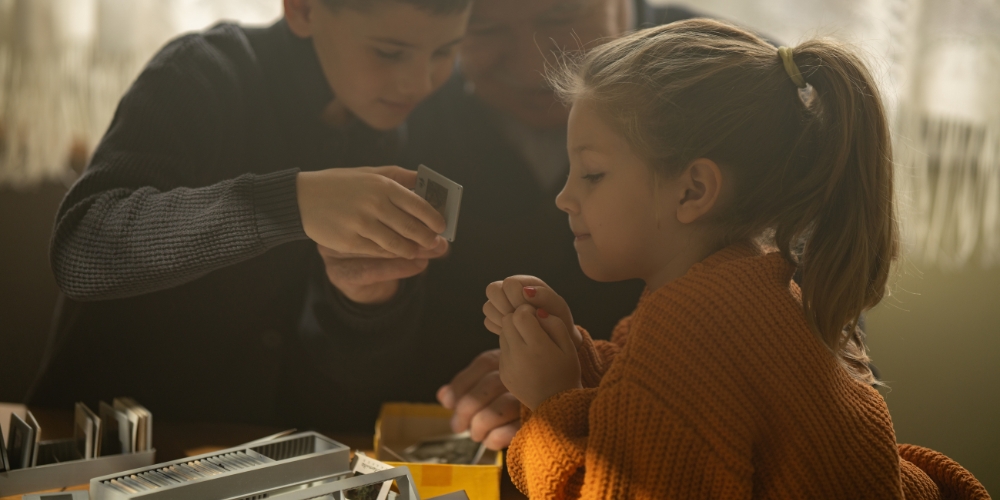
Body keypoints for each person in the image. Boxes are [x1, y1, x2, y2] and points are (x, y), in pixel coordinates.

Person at [480, 19, 990, 498]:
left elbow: (619, 481)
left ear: (693, 190)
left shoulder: (696, 329)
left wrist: (549, 402)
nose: (564, 198)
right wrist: (573, 355)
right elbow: (647, 410)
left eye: (592, 175)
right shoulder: (740, 286)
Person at [28, 0, 471, 429]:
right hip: (92, 446)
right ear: (303, 8)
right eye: (389, 52)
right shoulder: (200, 72)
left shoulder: (413, 119)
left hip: (262, 456)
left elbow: (350, 384)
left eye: (446, 51)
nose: (419, 82)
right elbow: (79, 249)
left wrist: (362, 305)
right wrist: (293, 203)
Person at [308, 0, 703, 449]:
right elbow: (337, 386)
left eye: (560, 18)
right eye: (485, 29)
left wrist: (574, 395)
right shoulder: (398, 111)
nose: (534, 65)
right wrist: (365, 306)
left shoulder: (743, 97)